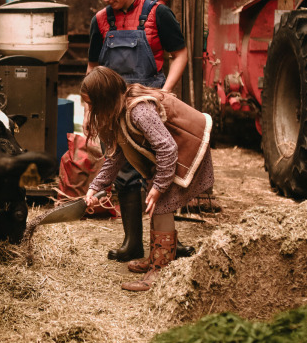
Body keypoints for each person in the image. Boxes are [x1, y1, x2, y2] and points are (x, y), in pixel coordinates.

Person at [86, 0, 190, 263]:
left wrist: (164, 92)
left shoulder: (159, 14)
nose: (106, 0)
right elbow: (93, 66)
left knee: (159, 171)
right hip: (113, 110)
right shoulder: (101, 20)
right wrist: (89, 109)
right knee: (123, 173)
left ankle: (168, 242)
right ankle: (132, 243)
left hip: (149, 107)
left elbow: (180, 54)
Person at [81, 67, 214, 291]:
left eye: (92, 103)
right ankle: (156, 259)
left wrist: (160, 185)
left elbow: (168, 148)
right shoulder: (119, 112)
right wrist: (95, 187)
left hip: (187, 151)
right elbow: (115, 157)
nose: (90, 109)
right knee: (156, 205)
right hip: (170, 156)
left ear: (104, 100)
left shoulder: (138, 112)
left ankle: (160, 271)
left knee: (161, 204)